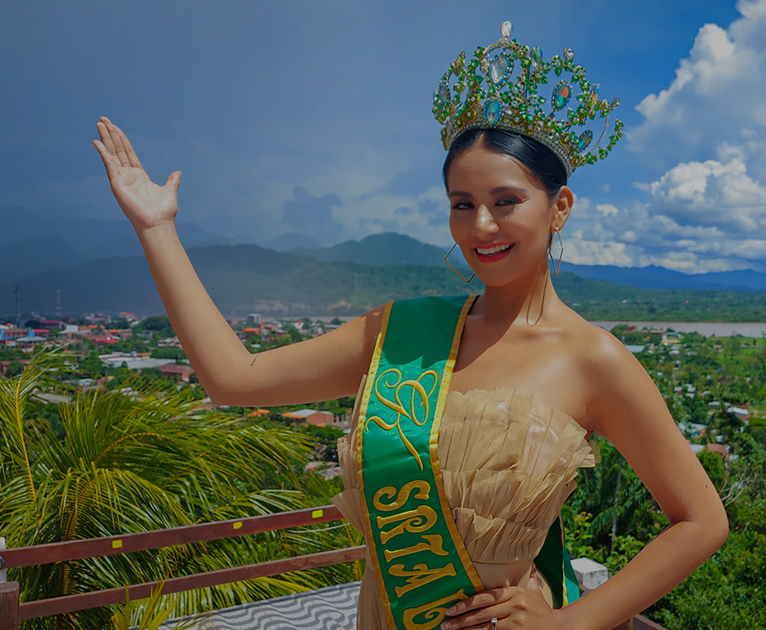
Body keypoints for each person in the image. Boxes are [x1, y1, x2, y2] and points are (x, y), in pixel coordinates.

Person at [92, 21, 727, 630]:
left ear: (559, 206)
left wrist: (573, 622)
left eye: (506, 201)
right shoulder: (401, 333)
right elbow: (235, 378)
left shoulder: (595, 360)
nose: (481, 226)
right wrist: (157, 229)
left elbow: (700, 519)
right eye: (462, 205)